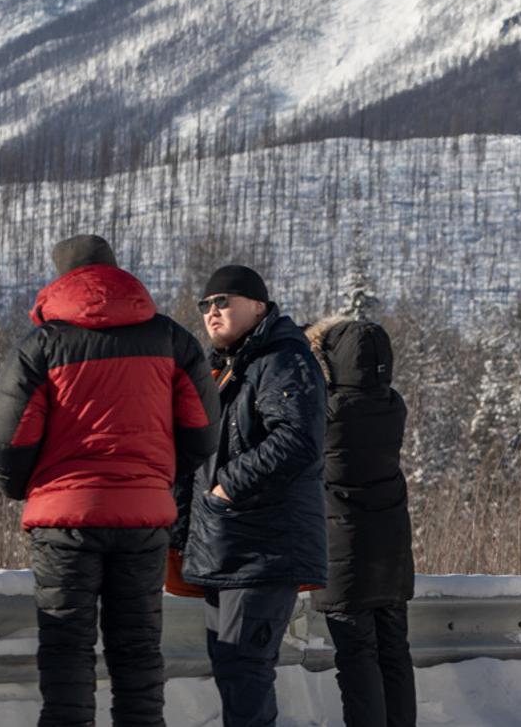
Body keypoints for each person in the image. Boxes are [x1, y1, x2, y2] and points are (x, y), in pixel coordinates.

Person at [0, 235, 219, 727]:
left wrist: (30, 487)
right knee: (137, 650)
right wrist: (158, 477)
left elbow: (7, 440)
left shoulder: (43, 345)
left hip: (65, 521)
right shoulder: (171, 340)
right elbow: (202, 429)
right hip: (142, 519)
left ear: (61, 281)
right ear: (116, 274)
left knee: (67, 647)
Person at [178, 264, 329, 727]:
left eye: (224, 301)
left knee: (246, 673)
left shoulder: (282, 358)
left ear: (259, 306)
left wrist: (227, 486)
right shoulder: (227, 368)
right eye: (206, 304)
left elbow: (298, 441)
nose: (212, 311)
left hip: (263, 547)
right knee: (233, 673)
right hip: (226, 545)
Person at [308, 315, 417, 727]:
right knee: (394, 652)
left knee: (356, 658)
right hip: (392, 550)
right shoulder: (393, 405)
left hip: (343, 548)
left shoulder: (328, 412)